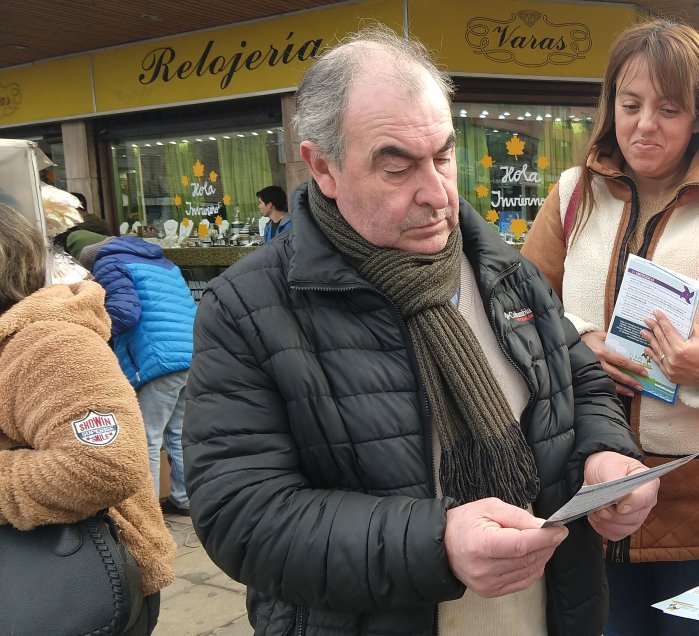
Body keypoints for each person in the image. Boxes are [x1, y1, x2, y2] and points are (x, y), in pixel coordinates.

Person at [182, 24, 658, 636]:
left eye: (442, 155)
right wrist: (437, 544)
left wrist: (608, 457)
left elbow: (581, 382)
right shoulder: (245, 308)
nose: (436, 194)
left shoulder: (503, 269)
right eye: (396, 166)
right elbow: (242, 516)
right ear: (321, 166)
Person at [522, 20, 699, 636]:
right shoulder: (573, 195)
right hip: (586, 476)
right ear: (610, 105)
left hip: (692, 493)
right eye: (631, 104)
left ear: (698, 116)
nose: (645, 124)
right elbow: (522, 308)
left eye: (668, 108)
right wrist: (577, 344)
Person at [0, 203, 176, 634]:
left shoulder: (49, 342)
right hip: (175, 356)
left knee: (153, 441)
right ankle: (183, 496)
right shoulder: (150, 258)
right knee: (166, 438)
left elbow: (106, 464)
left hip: (73, 586)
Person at [66, 229, 197, 518]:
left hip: (158, 358)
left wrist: (88, 328)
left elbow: (125, 313)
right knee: (179, 433)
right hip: (192, 353)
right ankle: (185, 498)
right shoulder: (163, 262)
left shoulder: (107, 264)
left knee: (148, 437)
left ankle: (147, 513)